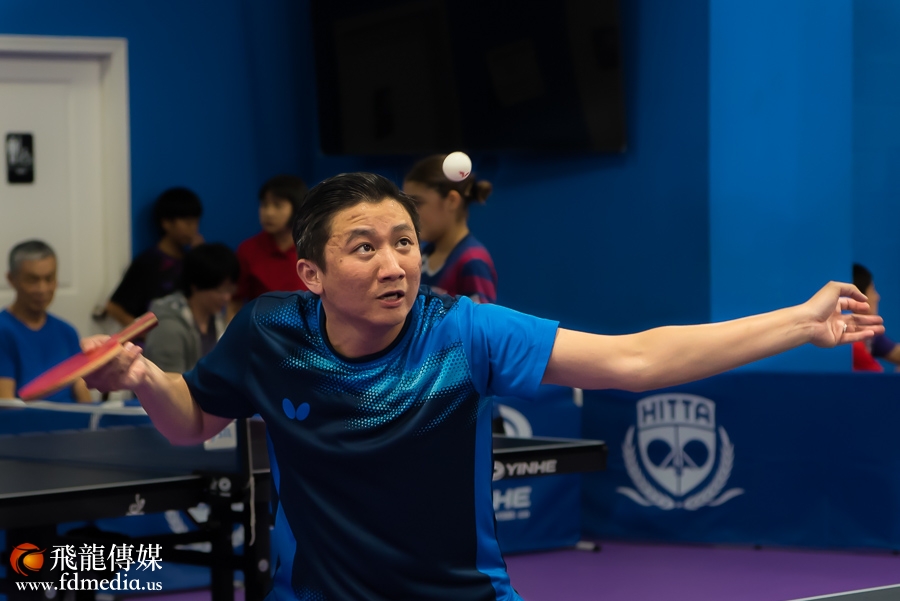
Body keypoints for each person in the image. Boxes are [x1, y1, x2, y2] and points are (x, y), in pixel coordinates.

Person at [84, 172, 883, 601]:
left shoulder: (463, 331)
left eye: (405, 240)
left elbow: (637, 359)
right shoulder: (268, 332)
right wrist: (146, 376)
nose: (394, 263)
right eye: (363, 247)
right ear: (311, 273)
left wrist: (797, 322)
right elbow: (191, 421)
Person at [0, 240, 91, 402]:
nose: (42, 289)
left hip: (71, 417)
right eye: (32, 280)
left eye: (49, 279)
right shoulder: (4, 331)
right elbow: (6, 405)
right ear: (12, 279)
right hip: (29, 418)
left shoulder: (67, 332)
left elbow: (82, 391)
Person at [403, 154, 498, 303]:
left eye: (417, 203)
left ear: (452, 201)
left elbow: (479, 318)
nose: (410, 214)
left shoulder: (473, 261)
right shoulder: (422, 254)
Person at [105, 187, 204, 327]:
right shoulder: (148, 262)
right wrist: (146, 333)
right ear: (166, 223)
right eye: (187, 222)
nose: (193, 228)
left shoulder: (193, 260)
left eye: (196, 222)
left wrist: (201, 258)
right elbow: (114, 307)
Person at [143, 243, 239, 373]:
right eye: (220, 290)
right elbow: (167, 380)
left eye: (230, 289)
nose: (227, 297)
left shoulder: (216, 320)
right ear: (196, 286)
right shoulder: (169, 326)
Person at [229, 175, 308, 319]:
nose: (268, 213)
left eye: (277, 205)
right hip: (262, 328)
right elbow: (235, 302)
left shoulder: (312, 247)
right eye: (264, 205)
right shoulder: (248, 250)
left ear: (297, 208)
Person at [851, 263, 900, 371]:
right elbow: (878, 380)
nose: (877, 297)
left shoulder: (871, 336)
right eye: (872, 290)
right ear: (857, 297)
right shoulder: (853, 345)